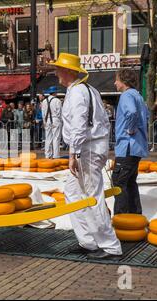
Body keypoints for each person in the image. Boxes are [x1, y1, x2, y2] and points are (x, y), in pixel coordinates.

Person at [50, 53, 122, 260]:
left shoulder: (77, 93)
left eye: (59, 69)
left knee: (92, 196)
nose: (56, 74)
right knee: (72, 194)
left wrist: (74, 153)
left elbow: (80, 125)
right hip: (90, 148)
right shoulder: (88, 90)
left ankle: (109, 246)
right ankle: (89, 241)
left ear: (69, 71)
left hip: (86, 150)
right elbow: (103, 122)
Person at [112, 69, 149, 215]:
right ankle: (135, 217)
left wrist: (130, 129)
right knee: (130, 182)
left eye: (117, 80)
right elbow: (145, 114)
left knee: (119, 182)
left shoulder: (126, 95)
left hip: (127, 146)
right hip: (136, 147)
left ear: (124, 81)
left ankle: (122, 219)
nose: (115, 83)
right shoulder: (138, 95)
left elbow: (132, 112)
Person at [39, 86, 63, 159]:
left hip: (47, 120)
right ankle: (56, 155)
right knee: (56, 138)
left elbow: (43, 113)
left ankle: (47, 154)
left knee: (48, 138)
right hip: (56, 119)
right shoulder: (57, 101)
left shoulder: (44, 101)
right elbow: (60, 113)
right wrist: (60, 120)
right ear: (55, 93)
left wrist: (44, 121)